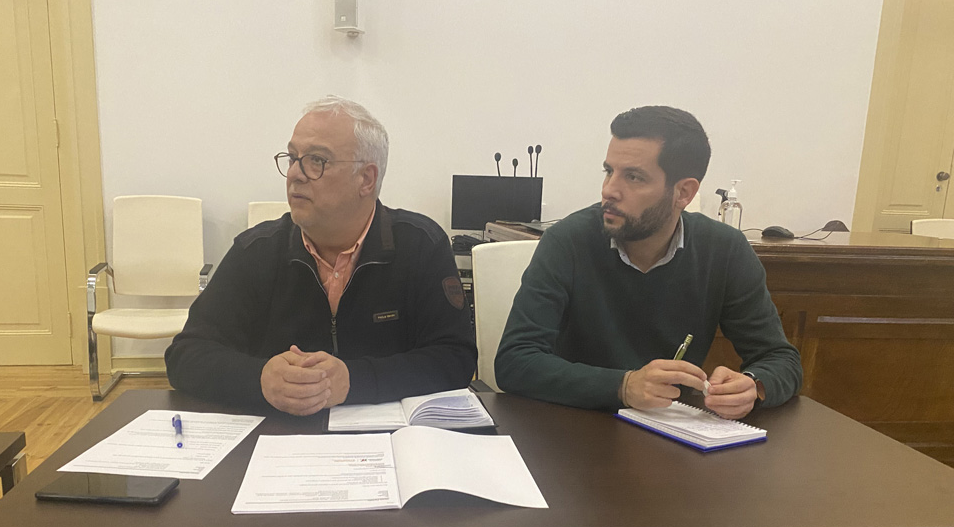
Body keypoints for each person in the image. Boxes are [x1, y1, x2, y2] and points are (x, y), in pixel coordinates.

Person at [165, 96, 476, 415]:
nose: (295, 174)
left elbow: (456, 359)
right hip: (279, 434)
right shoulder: (255, 251)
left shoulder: (421, 245)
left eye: (317, 160)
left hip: (387, 436)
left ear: (366, 179)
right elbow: (185, 356)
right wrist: (259, 379)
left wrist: (354, 381)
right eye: (293, 158)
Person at [494, 105, 802, 418]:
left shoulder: (724, 250)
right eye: (609, 171)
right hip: (576, 426)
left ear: (683, 192)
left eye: (634, 177)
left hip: (672, 431)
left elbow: (781, 359)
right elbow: (515, 361)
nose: (609, 190)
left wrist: (753, 384)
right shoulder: (568, 241)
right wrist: (622, 385)